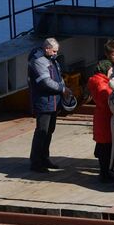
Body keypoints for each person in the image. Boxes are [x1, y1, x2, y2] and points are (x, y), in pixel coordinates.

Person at [27, 37, 65, 172]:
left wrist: (62, 86)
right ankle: (36, 162)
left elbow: (58, 77)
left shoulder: (51, 60)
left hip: (52, 102)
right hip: (44, 102)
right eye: (54, 51)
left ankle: (45, 158)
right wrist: (62, 89)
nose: (56, 54)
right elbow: (46, 82)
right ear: (47, 48)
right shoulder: (39, 61)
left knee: (49, 131)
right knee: (41, 131)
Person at [87, 60, 114, 184]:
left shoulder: (96, 81)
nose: (112, 72)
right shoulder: (102, 85)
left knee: (102, 146)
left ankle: (104, 172)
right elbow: (109, 101)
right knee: (106, 148)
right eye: (110, 70)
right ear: (105, 70)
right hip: (105, 118)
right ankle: (104, 174)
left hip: (100, 117)